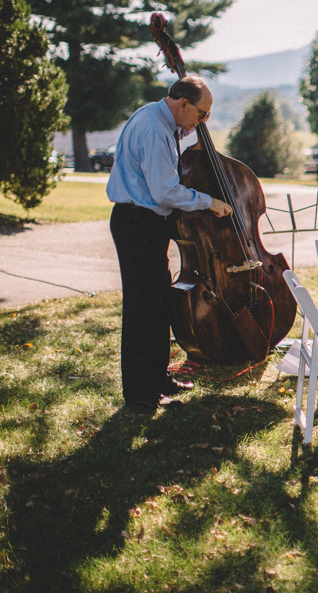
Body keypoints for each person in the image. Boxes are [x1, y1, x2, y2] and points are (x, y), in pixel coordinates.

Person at [106, 75, 233, 412]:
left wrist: (193, 137)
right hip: (139, 223)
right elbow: (165, 191)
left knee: (157, 303)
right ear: (183, 105)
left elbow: (170, 156)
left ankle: (157, 378)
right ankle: (140, 395)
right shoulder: (156, 129)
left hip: (144, 222)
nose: (202, 122)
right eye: (202, 114)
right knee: (142, 311)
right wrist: (208, 201)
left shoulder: (155, 116)